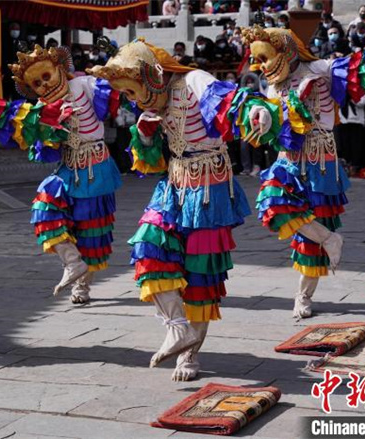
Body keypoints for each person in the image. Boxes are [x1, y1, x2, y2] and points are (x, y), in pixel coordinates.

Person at [89, 40, 251, 382]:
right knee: (148, 245)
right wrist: (145, 139)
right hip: (175, 184)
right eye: (128, 95)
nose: (135, 101)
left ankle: (191, 353)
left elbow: (228, 100)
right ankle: (177, 327)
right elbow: (150, 163)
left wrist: (255, 110)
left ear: (152, 76)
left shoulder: (193, 81)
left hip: (210, 187)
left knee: (201, 276)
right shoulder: (153, 105)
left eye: (134, 91)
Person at [240, 22, 365, 318]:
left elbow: (360, 68)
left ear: (285, 52)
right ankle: (329, 239)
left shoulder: (321, 69)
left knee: (308, 243)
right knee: (272, 202)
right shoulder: (274, 85)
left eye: (264, 58)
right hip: (287, 159)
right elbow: (270, 115)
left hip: (320, 158)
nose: (259, 66)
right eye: (257, 60)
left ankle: (303, 296)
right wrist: (260, 115)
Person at [10, 45, 123, 304]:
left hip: (95, 166)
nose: (44, 85)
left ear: (59, 68)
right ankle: (72, 262)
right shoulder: (41, 107)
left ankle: (81, 287)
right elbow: (44, 149)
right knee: (44, 209)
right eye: (36, 83)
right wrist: (51, 129)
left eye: (46, 76)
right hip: (67, 169)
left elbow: (114, 88)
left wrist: (110, 68)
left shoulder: (83, 85)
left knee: (91, 230)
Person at [336, 94, 365, 176]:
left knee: (356, 146)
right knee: (345, 145)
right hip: (343, 120)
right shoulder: (341, 89)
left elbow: (364, 101)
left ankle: (355, 166)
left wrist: (352, 96)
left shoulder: (358, 89)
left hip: (356, 121)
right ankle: (346, 166)